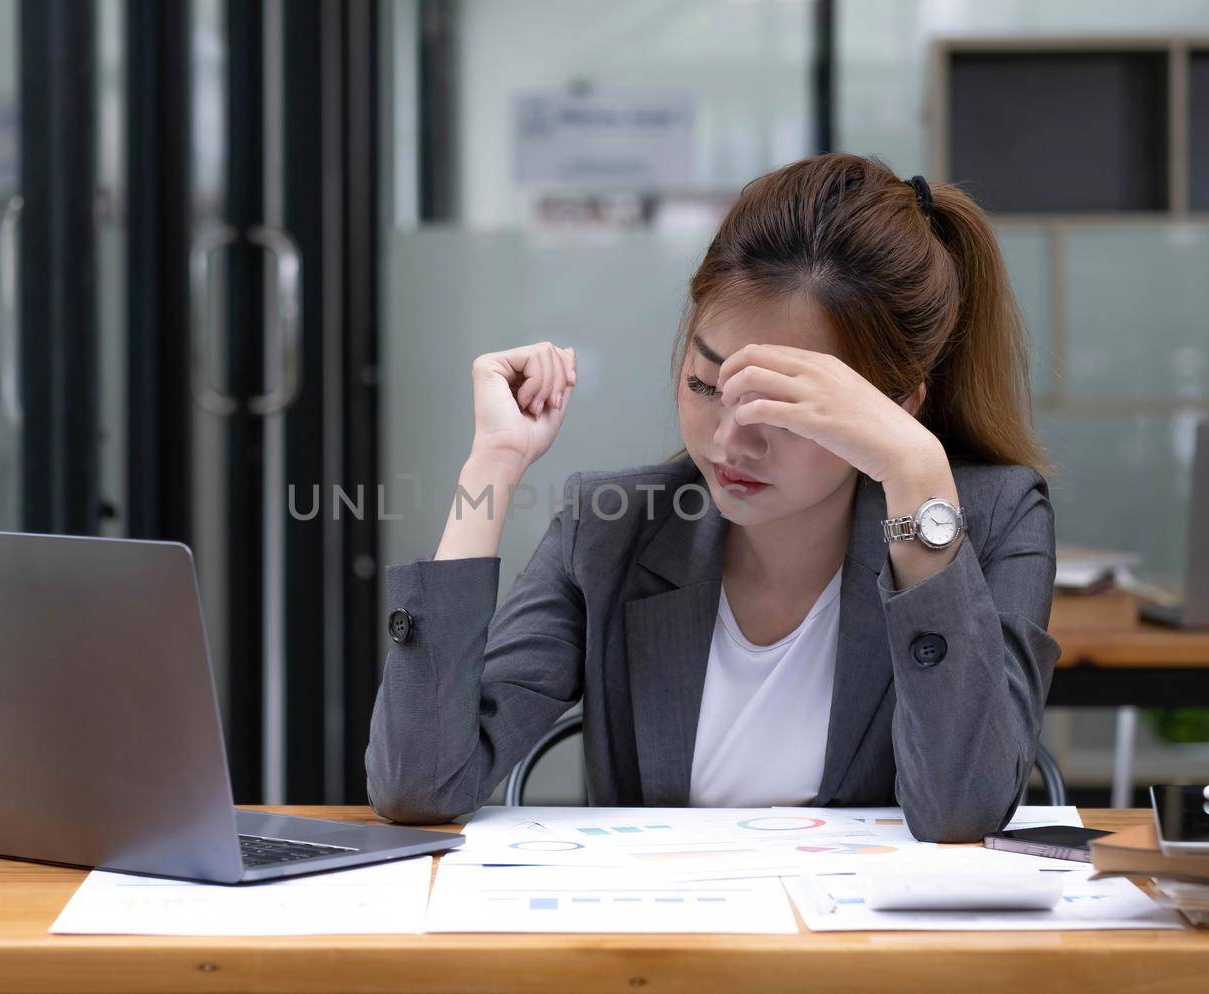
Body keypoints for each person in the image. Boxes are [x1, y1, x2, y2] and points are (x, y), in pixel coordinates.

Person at [365, 153, 1061, 842]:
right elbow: (419, 785)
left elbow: (961, 810)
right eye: (706, 386)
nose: (730, 440)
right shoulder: (614, 532)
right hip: (665, 946)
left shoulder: (997, 518)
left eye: (783, 410)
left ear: (893, 408)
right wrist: (493, 463)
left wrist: (916, 473)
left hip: (870, 950)